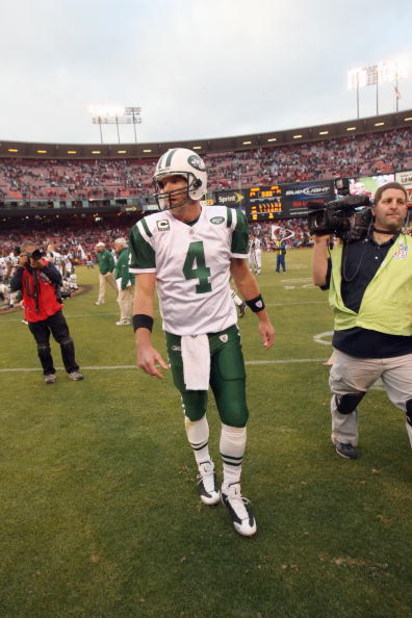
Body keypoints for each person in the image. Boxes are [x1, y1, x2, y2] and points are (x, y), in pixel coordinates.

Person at [129, 148, 275, 537]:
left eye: (174, 180)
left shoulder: (228, 219)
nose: (167, 189)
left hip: (223, 331)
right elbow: (144, 292)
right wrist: (143, 341)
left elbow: (241, 273)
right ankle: (204, 468)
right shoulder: (148, 229)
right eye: (162, 183)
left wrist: (261, 315)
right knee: (194, 411)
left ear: (196, 180)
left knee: (236, 413)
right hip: (181, 337)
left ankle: (233, 487)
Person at [311, 181, 412, 459]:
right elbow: (320, 279)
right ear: (374, 208)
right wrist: (320, 240)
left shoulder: (411, 248)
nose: (394, 205)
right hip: (353, 345)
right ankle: (343, 437)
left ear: (406, 209)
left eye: (400, 201)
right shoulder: (348, 245)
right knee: (346, 402)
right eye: (387, 200)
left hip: (402, 348)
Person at [10, 242, 84, 384]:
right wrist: (20, 266)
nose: (33, 256)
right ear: (23, 255)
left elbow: (58, 279)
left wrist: (42, 267)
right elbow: (13, 286)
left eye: (35, 252)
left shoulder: (45, 264)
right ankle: (49, 373)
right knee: (42, 346)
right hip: (34, 314)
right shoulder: (21, 270)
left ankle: (72, 370)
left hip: (53, 310)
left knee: (66, 341)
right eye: (29, 254)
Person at [113, 237, 135, 326]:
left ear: (121, 245)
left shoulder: (124, 255)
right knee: (131, 300)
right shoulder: (126, 252)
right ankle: (132, 317)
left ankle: (125, 319)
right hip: (131, 280)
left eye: (116, 245)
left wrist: (123, 284)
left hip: (126, 281)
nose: (115, 247)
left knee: (122, 301)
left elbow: (125, 271)